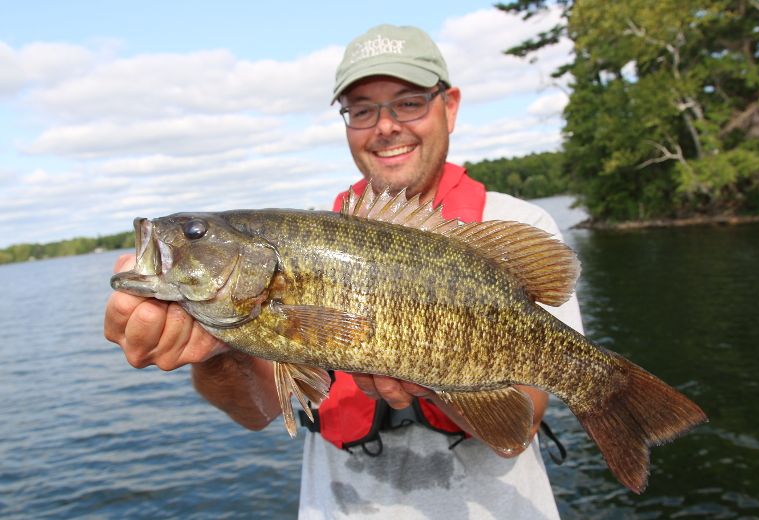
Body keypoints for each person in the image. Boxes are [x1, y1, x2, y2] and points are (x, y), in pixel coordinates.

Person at [105, 24, 583, 519]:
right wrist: (212, 352)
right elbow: (254, 410)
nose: (386, 125)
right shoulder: (311, 238)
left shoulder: (520, 226)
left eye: (409, 101)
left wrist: (434, 370)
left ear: (451, 105)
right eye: (362, 109)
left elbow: (517, 428)